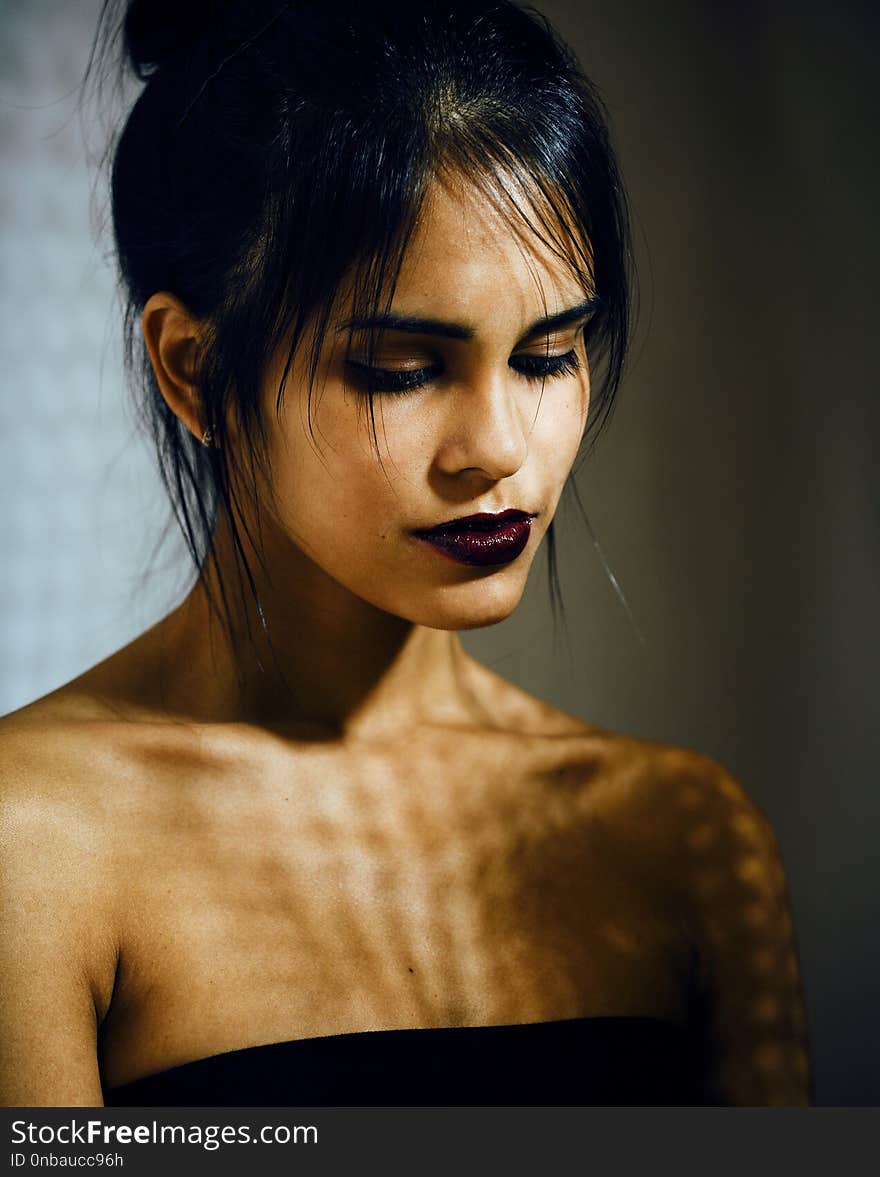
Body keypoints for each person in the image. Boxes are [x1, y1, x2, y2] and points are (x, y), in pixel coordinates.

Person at [0, 0, 812, 1107]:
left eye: (547, 355)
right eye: (399, 368)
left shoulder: (684, 838)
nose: (498, 451)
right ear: (192, 370)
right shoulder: (34, 842)